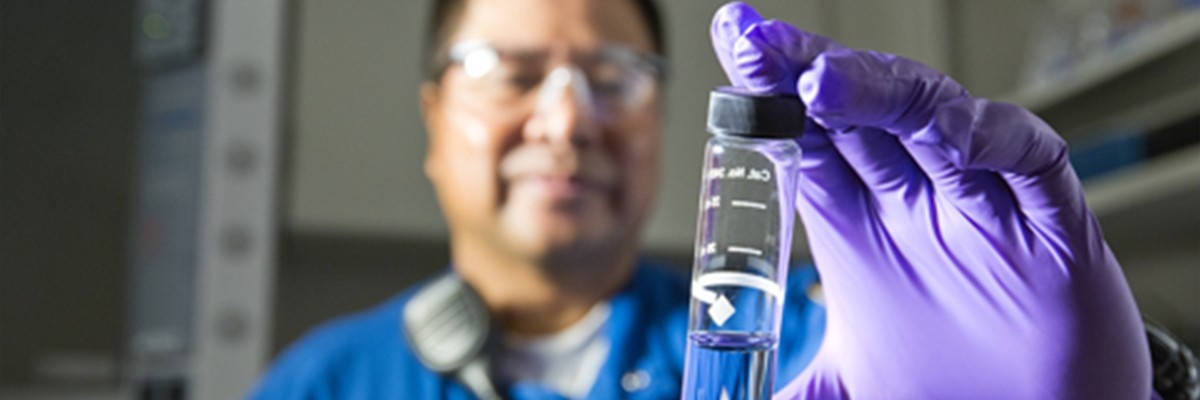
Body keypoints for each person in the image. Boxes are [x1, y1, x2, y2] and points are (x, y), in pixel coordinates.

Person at [251, 0, 1159, 399]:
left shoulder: (813, 347)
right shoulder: (320, 386)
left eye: (615, 75)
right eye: (510, 71)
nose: (566, 122)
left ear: (660, 118)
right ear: (433, 114)